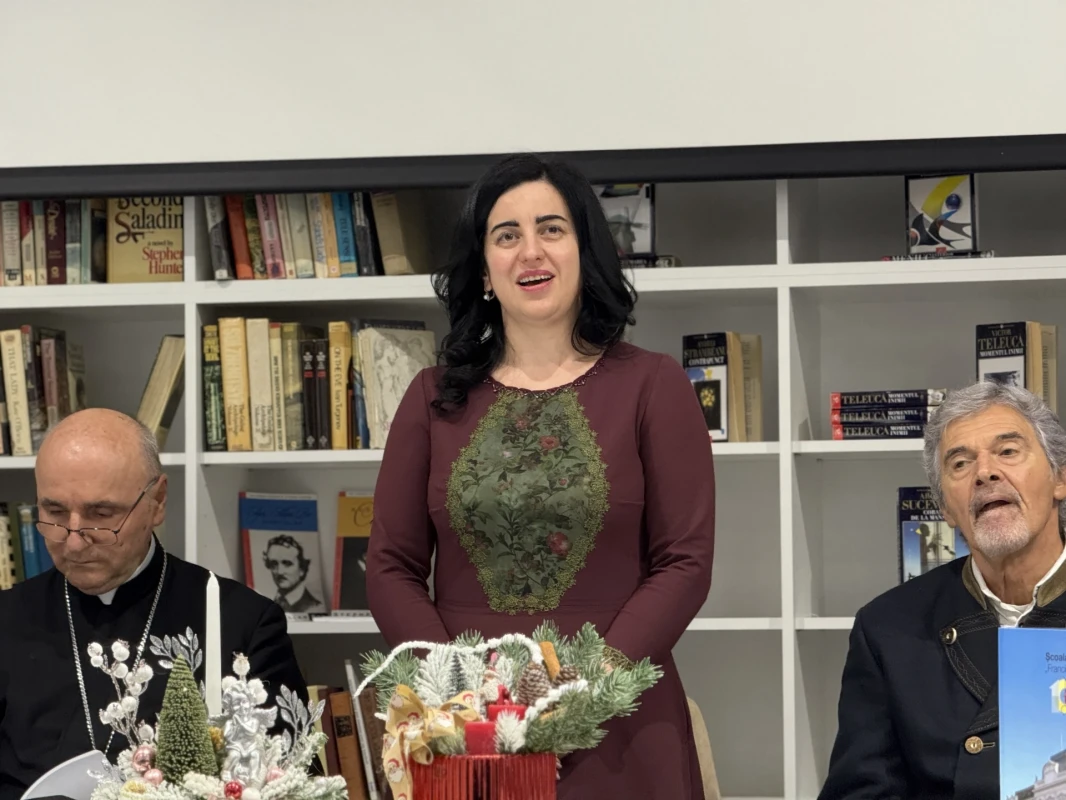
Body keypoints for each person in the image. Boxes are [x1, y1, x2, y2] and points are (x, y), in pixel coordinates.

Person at [365, 153, 716, 799]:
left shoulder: (654, 384)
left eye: (551, 229)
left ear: (585, 251)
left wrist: (581, 693)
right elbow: (391, 566)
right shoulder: (430, 398)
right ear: (483, 270)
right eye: (507, 235)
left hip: (618, 727)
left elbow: (685, 562)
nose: (531, 251)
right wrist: (457, 690)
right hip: (462, 729)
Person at [0, 409, 310, 800]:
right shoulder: (6, 619)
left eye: (101, 514)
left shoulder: (244, 623)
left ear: (157, 500)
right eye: (55, 512)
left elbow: (293, 782)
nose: (74, 542)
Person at [818, 380, 1066, 800]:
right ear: (946, 509)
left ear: (1060, 478)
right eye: (960, 463)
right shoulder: (889, 629)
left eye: (1007, 451)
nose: (985, 472)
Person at [263, 534, 325, 613]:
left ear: (302, 569)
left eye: (287, 564)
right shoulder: (268, 604)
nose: (279, 572)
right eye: (274, 564)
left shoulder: (314, 607)